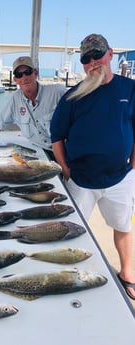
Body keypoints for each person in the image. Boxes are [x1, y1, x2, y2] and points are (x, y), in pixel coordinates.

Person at [50, 33, 135, 300]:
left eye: (97, 55)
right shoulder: (72, 97)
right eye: (86, 59)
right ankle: (70, 273)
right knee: (70, 231)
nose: (93, 62)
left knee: (123, 226)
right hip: (80, 180)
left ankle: (128, 274)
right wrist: (65, 168)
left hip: (119, 177)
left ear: (110, 54)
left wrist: (134, 167)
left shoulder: (129, 89)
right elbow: (56, 137)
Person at [0, 56, 67, 160]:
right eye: (19, 75)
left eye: (28, 72)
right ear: (15, 79)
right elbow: (1, 121)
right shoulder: (15, 99)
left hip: (65, 149)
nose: (24, 78)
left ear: (35, 73)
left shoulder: (57, 92)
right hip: (40, 151)